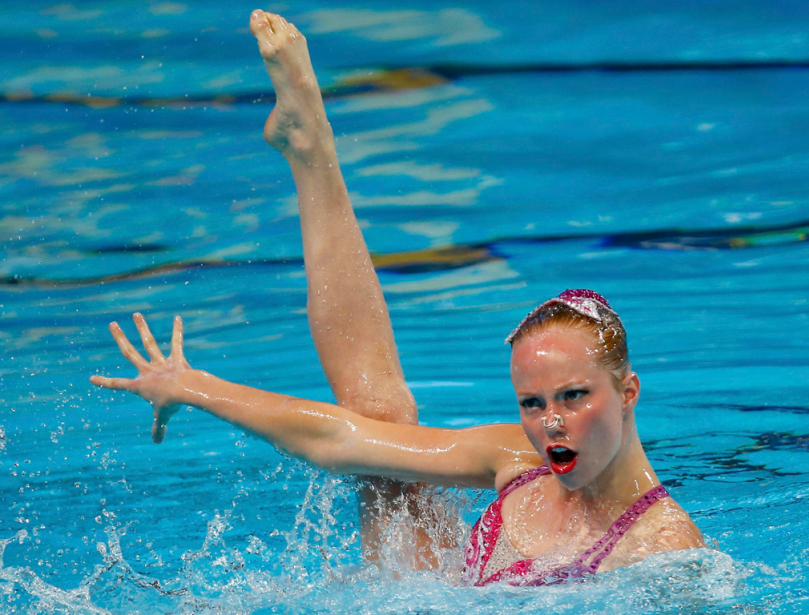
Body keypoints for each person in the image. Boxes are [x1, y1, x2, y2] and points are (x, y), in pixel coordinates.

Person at [90, 9, 705, 586]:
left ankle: (311, 149)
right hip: (420, 585)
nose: (550, 422)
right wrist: (191, 386)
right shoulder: (518, 455)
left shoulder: (664, 548)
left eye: (573, 396)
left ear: (628, 392)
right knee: (381, 424)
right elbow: (341, 442)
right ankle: (311, 149)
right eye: (532, 401)